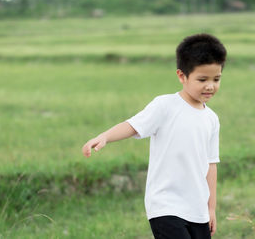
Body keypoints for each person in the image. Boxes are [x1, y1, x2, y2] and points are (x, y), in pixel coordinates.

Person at [82, 33, 227, 239]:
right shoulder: (165, 105)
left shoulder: (211, 119)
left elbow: (211, 165)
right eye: (202, 79)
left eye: (216, 79)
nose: (210, 86)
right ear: (181, 76)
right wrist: (105, 136)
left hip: (198, 208)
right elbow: (133, 125)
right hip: (165, 205)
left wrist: (211, 208)